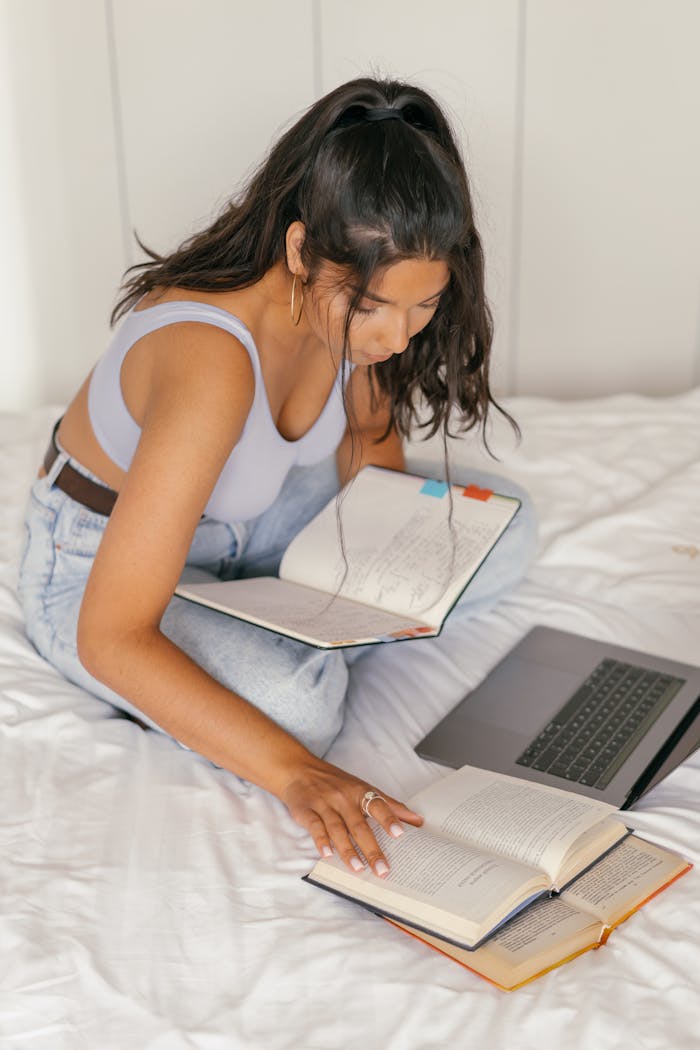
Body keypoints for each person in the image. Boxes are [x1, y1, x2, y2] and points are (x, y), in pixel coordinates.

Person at [18, 76, 536, 881]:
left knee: (508, 526)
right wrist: (299, 774)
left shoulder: (348, 316)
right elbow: (110, 634)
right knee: (304, 709)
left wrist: (378, 574)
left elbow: (366, 438)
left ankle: (278, 625)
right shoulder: (209, 361)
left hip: (247, 525)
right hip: (95, 573)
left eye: (423, 306)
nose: (397, 338)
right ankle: (270, 646)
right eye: (372, 309)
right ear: (300, 250)